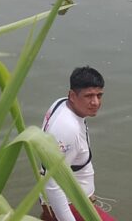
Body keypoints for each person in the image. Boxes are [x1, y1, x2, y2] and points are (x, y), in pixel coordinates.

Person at [41, 67, 115, 221]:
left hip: (71, 201)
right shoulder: (68, 129)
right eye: (89, 96)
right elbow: (53, 183)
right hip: (70, 204)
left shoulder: (61, 103)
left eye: (99, 95)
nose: (95, 102)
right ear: (73, 95)